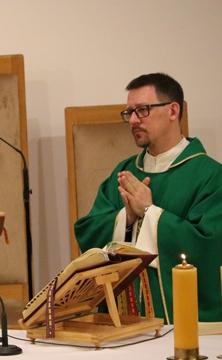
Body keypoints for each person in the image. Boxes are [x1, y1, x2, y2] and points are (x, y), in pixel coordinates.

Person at [74, 73, 222, 328]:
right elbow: (89, 231)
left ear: (173, 111)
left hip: (184, 322)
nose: (133, 120)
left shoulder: (209, 175)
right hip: (121, 322)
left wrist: (150, 212)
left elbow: (210, 245)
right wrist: (126, 218)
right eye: (129, 112)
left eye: (142, 110)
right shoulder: (124, 171)